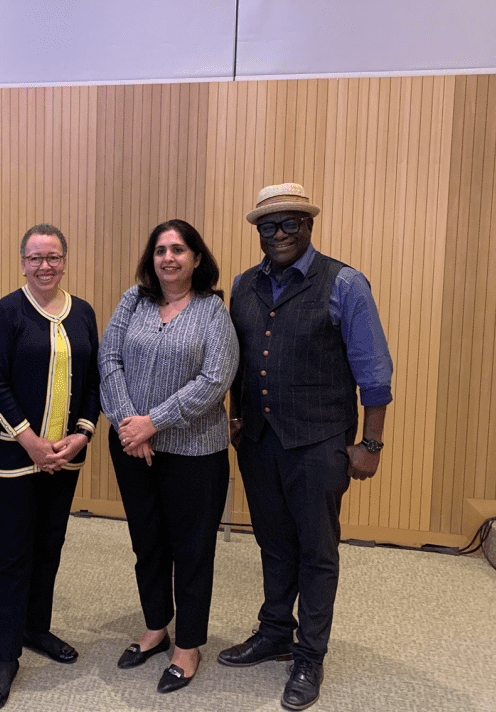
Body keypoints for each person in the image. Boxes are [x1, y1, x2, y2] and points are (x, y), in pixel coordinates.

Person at [224, 183, 393, 711]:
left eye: (289, 223)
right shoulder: (242, 284)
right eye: (267, 226)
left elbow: (375, 373)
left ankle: (309, 654)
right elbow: (237, 359)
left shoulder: (346, 283)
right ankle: (275, 631)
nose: (277, 234)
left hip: (320, 442)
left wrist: (370, 443)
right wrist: (234, 418)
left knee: (317, 551)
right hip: (258, 441)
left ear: (309, 225)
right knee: (273, 544)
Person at [99, 219, 239, 694]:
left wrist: (152, 422)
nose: (169, 258)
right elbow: (108, 360)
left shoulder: (212, 310)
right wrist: (128, 424)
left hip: (195, 453)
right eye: (160, 250)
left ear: (197, 258)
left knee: (192, 550)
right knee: (148, 543)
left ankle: (188, 644)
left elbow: (215, 379)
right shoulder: (132, 301)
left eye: (179, 249)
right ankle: (157, 627)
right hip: (132, 448)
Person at [0, 224, 101, 710]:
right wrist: (28, 439)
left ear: (65, 260)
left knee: (49, 543)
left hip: (65, 456)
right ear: (22, 262)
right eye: (35, 258)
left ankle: (36, 628)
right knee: (13, 551)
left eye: (53, 257)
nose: (44, 266)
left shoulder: (84, 313)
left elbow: (94, 381)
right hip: (15, 455)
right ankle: (5, 656)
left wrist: (83, 433)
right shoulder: (8, 311)